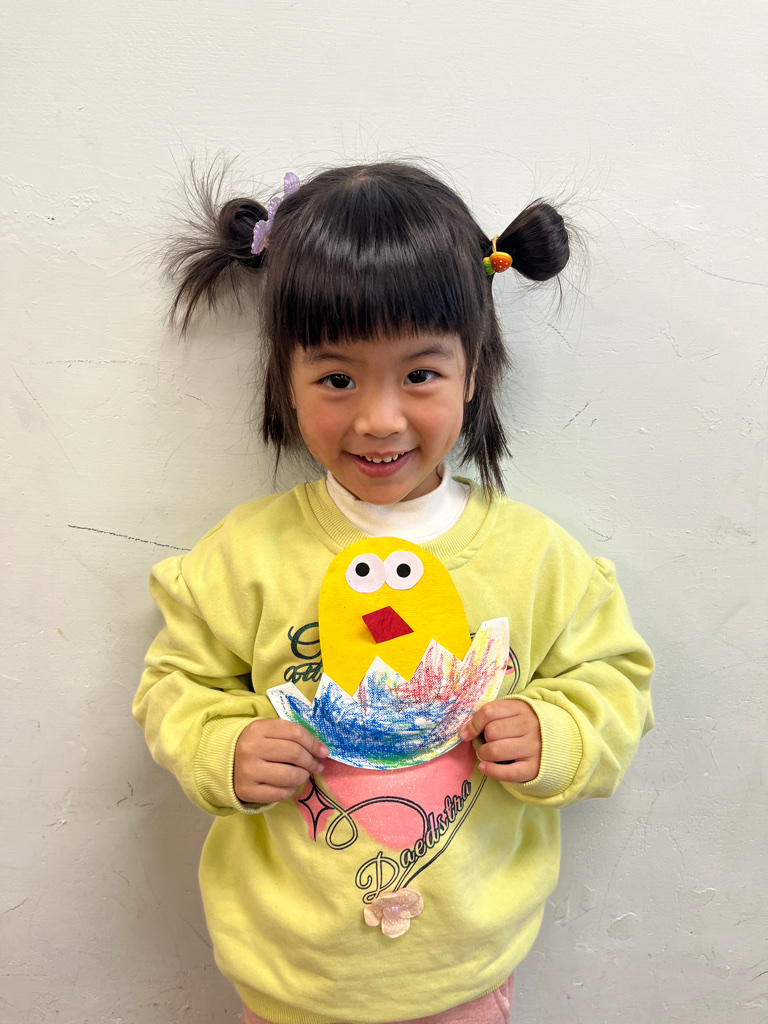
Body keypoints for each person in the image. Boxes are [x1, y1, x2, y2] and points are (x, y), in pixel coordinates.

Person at [133, 161, 654, 1024]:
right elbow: (175, 685)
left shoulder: (537, 560)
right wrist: (222, 747)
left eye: (419, 375)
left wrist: (558, 733)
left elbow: (615, 680)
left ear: (474, 370)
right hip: (289, 972)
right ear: (285, 379)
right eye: (338, 379)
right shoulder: (243, 558)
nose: (379, 419)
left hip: (464, 969)